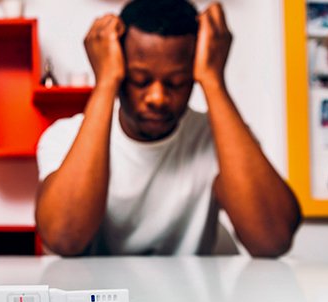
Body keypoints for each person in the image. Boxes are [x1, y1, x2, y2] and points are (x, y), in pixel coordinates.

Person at [35, 0, 302, 257]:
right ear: (118, 71)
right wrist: (105, 83)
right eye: (140, 81)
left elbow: (273, 240)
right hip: (98, 301)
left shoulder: (220, 138)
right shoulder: (65, 137)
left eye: (176, 83)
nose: (157, 98)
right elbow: (63, 239)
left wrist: (213, 80)